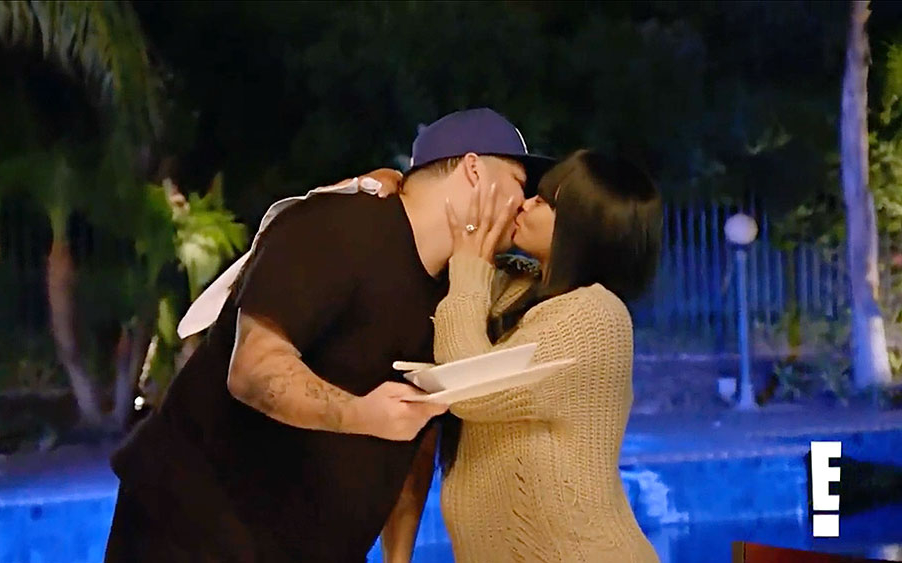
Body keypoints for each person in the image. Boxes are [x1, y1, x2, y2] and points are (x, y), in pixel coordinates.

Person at [104, 108, 554, 563]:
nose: (524, 202)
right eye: (519, 182)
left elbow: (416, 437)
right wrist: (361, 414)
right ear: (474, 170)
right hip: (192, 528)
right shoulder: (336, 225)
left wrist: (398, 557)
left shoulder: (453, 291)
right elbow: (253, 368)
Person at [431, 149, 663, 562]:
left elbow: (469, 387)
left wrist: (468, 263)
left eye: (545, 201)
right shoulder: (520, 290)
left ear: (583, 226)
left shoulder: (594, 317)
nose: (525, 204)